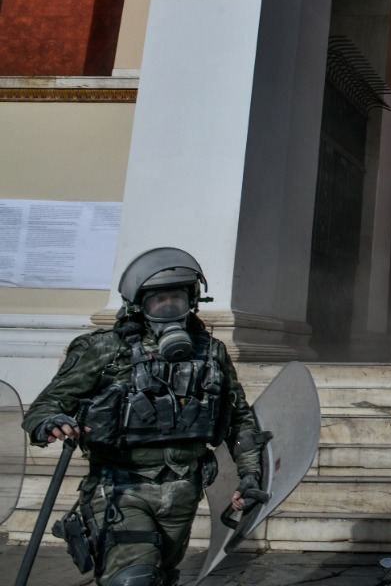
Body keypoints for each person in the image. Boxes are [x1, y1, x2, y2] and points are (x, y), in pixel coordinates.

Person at [22, 247, 269, 586]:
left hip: (184, 489)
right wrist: (52, 422)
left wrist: (250, 476)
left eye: (177, 298)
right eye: (158, 300)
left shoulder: (211, 353)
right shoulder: (106, 350)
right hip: (120, 489)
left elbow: (240, 421)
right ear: (138, 305)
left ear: (192, 300)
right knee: (133, 580)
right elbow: (45, 405)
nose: (169, 307)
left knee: (162, 577)